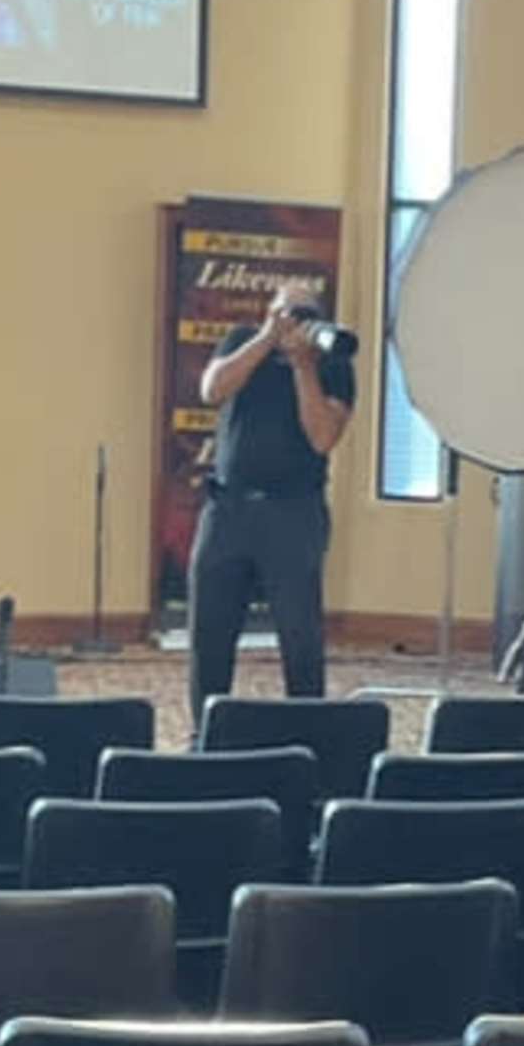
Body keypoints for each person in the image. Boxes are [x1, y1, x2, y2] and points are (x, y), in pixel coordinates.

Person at [192, 292, 354, 723]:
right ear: (268, 312)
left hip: (294, 514)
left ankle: (307, 733)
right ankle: (204, 734)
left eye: (304, 315)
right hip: (228, 510)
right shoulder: (241, 340)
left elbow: (323, 437)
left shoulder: (333, 363)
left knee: (300, 637)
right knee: (210, 631)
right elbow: (212, 389)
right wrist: (266, 340)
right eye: (286, 312)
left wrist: (304, 366)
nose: (293, 322)